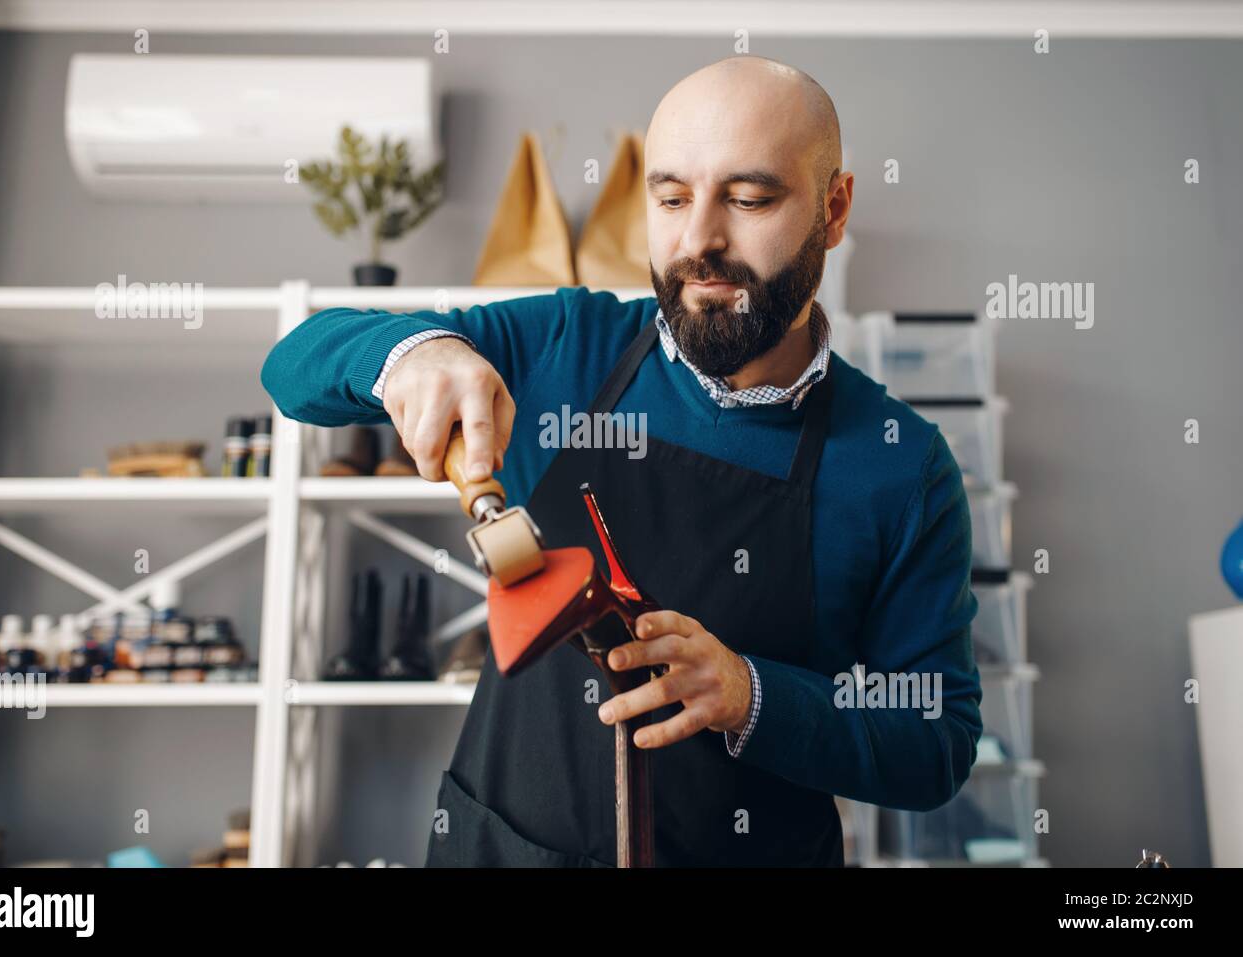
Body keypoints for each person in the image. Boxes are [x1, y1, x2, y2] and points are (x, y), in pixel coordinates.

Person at [261, 55, 982, 867]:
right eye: (671, 197)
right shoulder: (566, 346)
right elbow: (293, 367)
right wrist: (410, 353)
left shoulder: (900, 466)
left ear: (834, 206)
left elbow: (938, 742)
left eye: (749, 199)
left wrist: (751, 694)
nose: (700, 240)